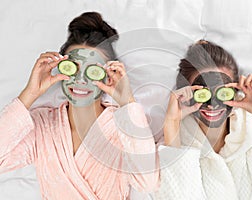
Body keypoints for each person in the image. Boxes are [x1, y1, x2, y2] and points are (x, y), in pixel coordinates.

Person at [0, 12, 159, 199]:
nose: (81, 80)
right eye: (73, 67)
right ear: (60, 68)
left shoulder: (124, 125)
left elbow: (148, 183)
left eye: (93, 70)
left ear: (108, 73)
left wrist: (128, 102)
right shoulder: (41, 124)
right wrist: (30, 94)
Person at [155, 40, 252, 200]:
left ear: (234, 91)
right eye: (203, 94)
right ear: (187, 95)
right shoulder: (173, 145)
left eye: (222, 92)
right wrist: (171, 122)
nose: (212, 105)